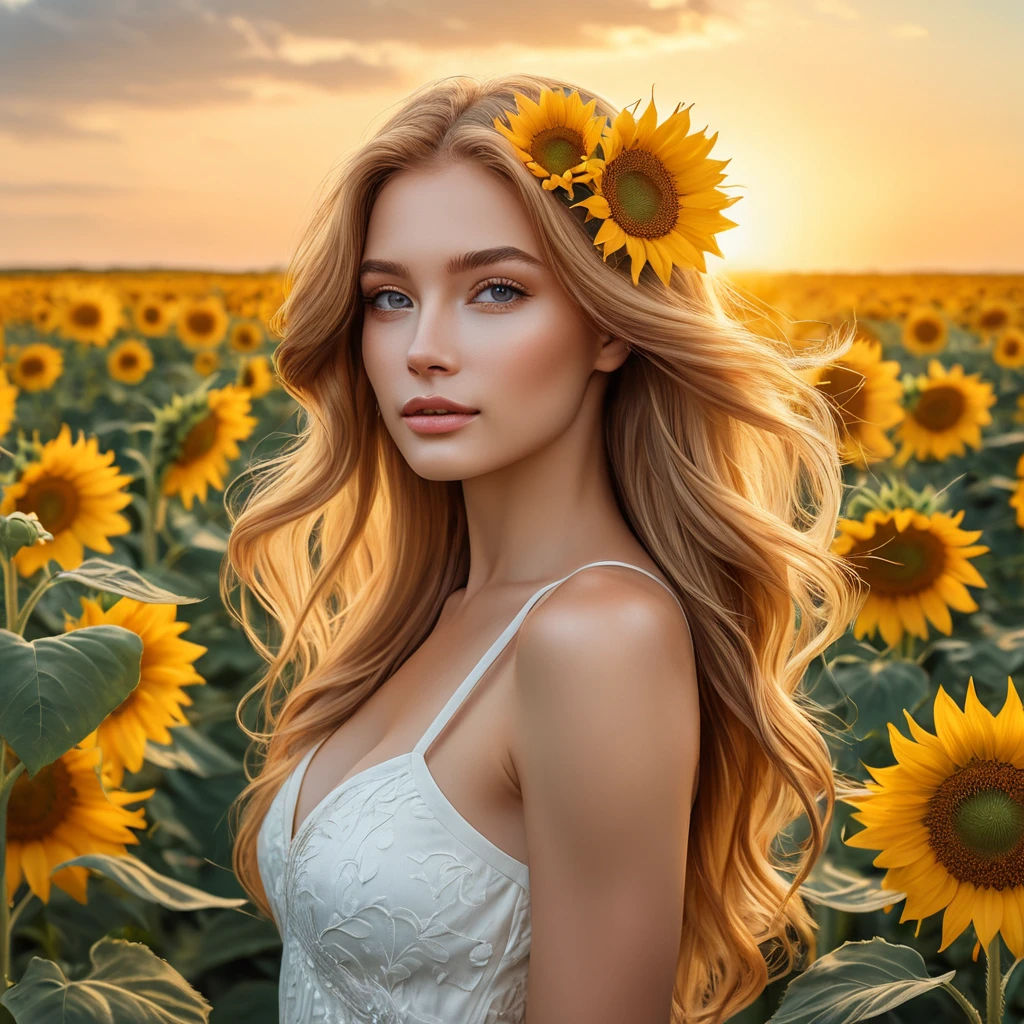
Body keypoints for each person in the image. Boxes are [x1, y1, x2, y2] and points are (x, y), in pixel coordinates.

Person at [225, 74, 864, 1024]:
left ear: (608, 323)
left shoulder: (599, 637)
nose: (423, 349)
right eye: (390, 298)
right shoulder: (423, 615)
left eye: (495, 290)